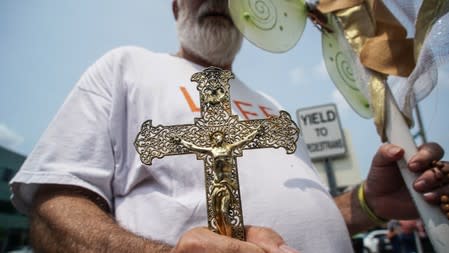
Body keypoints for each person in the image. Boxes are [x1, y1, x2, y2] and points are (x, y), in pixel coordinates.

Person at [9, 1, 449, 252]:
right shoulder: (127, 68)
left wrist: (367, 204)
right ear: (176, 6)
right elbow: (50, 212)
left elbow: (298, 215)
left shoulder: (275, 108)